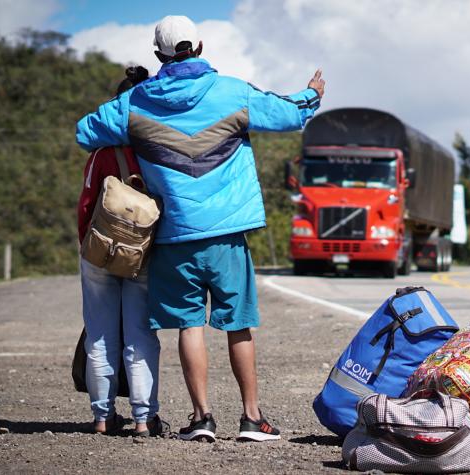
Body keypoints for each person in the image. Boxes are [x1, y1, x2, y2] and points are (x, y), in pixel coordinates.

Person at [75, 15, 325, 442]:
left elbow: (85, 132)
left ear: (158, 56)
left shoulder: (135, 103)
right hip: (228, 235)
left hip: (173, 237)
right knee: (238, 325)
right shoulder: (232, 92)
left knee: (190, 326)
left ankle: (201, 418)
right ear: (201, 46)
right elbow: (288, 113)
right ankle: (251, 419)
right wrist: (312, 95)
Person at [77, 66, 167, 437]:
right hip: (143, 254)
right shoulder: (158, 149)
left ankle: (102, 416)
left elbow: (85, 205)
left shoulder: (101, 152)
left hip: (99, 250)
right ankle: (145, 419)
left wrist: (90, 247)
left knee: (100, 334)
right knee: (141, 336)